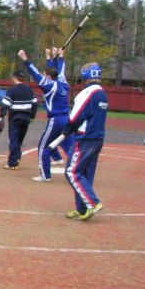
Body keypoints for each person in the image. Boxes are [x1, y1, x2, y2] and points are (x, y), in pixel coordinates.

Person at [18, 47, 73, 182]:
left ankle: (45, 175)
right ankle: (78, 170)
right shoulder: (63, 83)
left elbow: (35, 73)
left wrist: (25, 59)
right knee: (71, 147)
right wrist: (58, 56)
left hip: (55, 120)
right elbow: (59, 70)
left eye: (45, 74)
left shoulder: (49, 85)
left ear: (48, 76)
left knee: (43, 147)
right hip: (67, 119)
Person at [62, 62, 108, 220]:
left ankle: (92, 203)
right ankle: (82, 209)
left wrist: (67, 129)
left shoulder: (86, 93)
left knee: (72, 172)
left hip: (84, 138)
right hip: (97, 138)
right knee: (85, 174)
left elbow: (76, 117)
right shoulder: (102, 93)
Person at [0, 69, 38, 170]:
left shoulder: (12, 90)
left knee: (13, 140)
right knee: (19, 140)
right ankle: (16, 159)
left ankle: (13, 162)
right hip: (26, 118)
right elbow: (35, 104)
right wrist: (32, 117)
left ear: (15, 78)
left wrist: (1, 116)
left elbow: (5, 104)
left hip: (15, 118)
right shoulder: (29, 89)